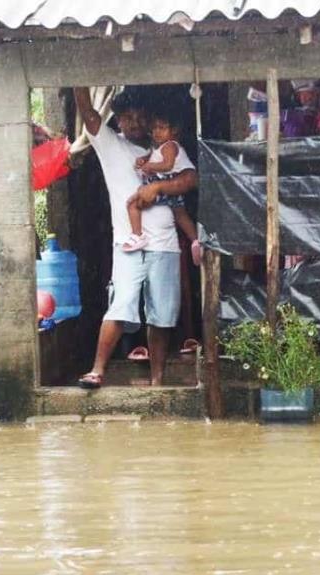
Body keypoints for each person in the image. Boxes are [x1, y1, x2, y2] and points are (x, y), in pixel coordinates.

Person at [73, 87, 199, 388]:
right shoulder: (110, 144)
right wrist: (77, 83)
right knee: (122, 304)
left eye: (140, 118)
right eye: (127, 118)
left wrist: (158, 188)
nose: (134, 124)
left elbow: (191, 179)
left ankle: (157, 378)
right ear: (116, 121)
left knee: (162, 314)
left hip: (165, 245)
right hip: (128, 244)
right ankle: (97, 370)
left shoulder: (166, 150)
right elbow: (89, 114)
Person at [123, 107, 199, 262]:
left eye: (162, 128)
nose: (157, 132)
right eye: (155, 128)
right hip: (171, 186)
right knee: (180, 215)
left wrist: (150, 167)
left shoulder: (170, 145)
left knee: (133, 204)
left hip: (165, 183)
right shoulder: (158, 146)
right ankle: (196, 241)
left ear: (174, 130)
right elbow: (153, 157)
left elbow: (167, 165)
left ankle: (137, 236)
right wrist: (144, 160)